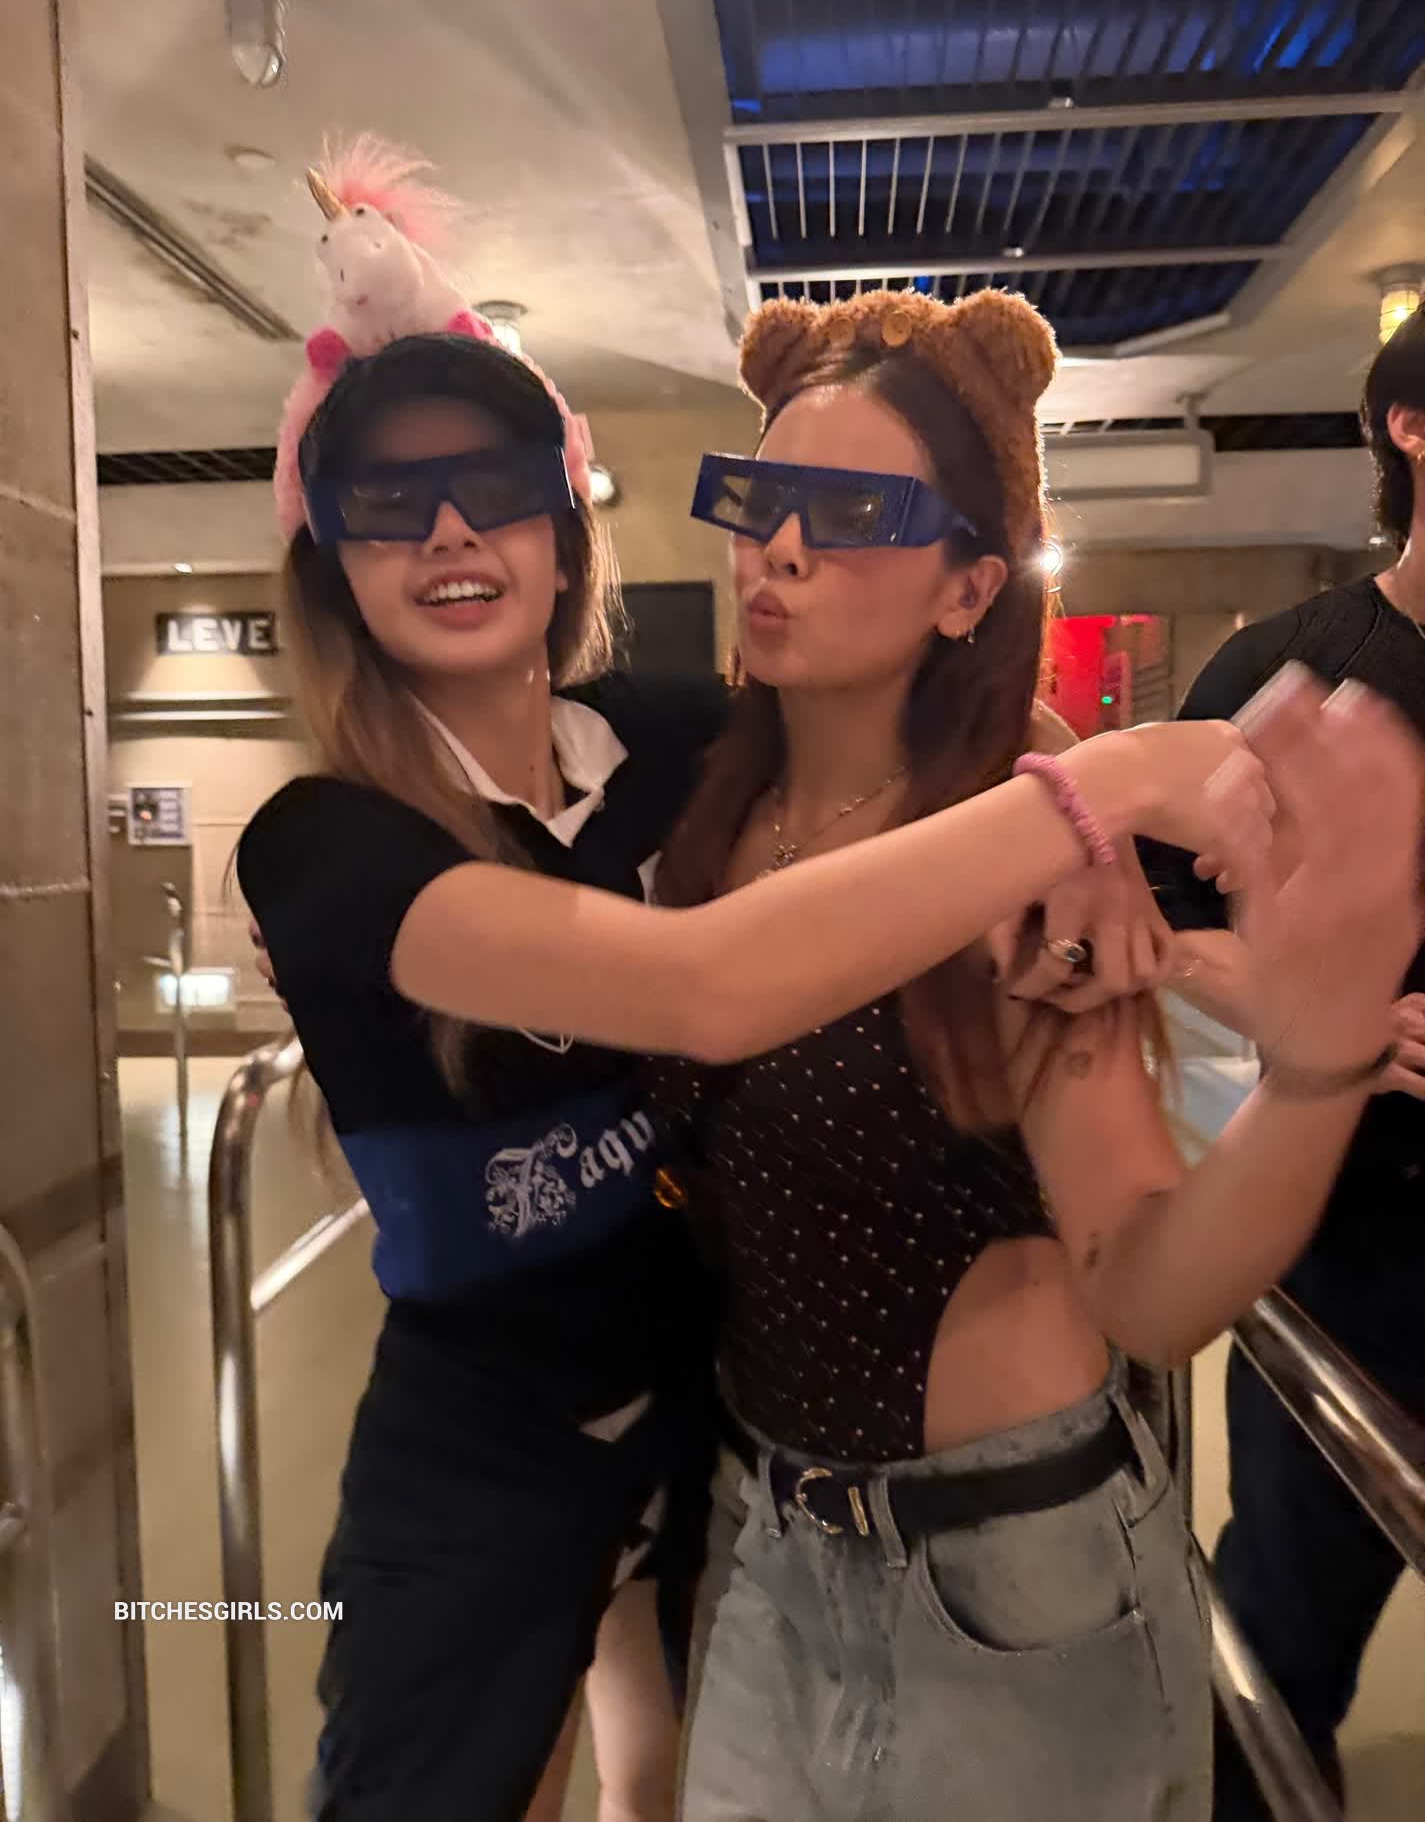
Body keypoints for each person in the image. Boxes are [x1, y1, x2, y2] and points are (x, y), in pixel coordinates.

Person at [235, 304, 1313, 1822]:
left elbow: (917, 720)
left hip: (737, 1416)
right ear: (329, 560)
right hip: (493, 1427)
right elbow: (708, 989)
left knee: (659, 1773)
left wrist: (1081, 813)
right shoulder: (323, 843)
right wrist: (1113, 789)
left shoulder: (664, 747)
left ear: (565, 526)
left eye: (494, 487)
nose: (449, 533)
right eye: (388, 502)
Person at [636, 287, 1422, 1822]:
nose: (777, 549)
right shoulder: (700, 808)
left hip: (1001, 1580)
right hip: (764, 1539)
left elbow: (1148, 1284)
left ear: (967, 588)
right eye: (756, 498)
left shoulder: (1024, 863)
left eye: (847, 512)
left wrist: (1317, 1064)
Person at [1140, 304, 1425, 1817]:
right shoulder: (1293, 670)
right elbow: (1150, 919)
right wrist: (1322, 1018)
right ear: (1409, 429)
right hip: (1351, 1240)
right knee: (1278, 1644)